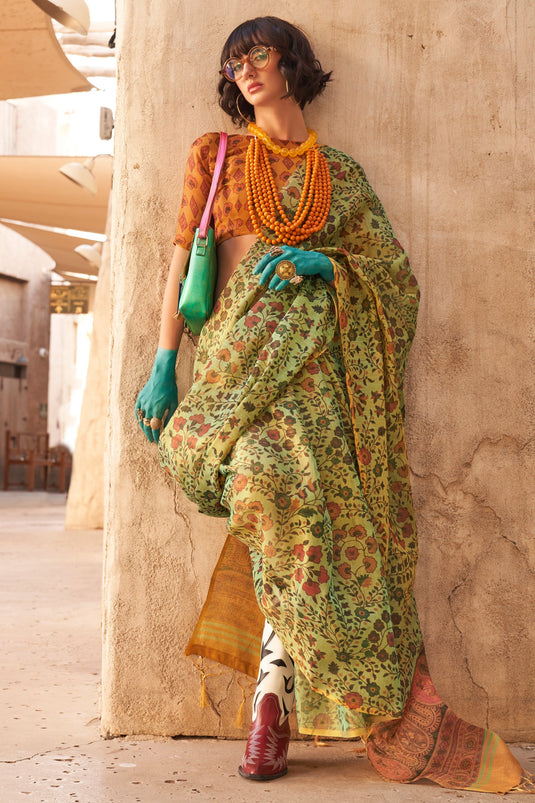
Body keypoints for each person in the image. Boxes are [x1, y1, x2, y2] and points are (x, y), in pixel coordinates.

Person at [135, 16, 532, 794]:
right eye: (233, 60)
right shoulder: (214, 158)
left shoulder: (340, 176)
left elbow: (392, 279)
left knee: (308, 521)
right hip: (231, 374)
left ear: (293, 63)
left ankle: (269, 701)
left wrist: (328, 264)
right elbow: (181, 257)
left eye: (258, 53)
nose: (245, 68)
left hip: (323, 385)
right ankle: (279, 690)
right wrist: (162, 365)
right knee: (256, 486)